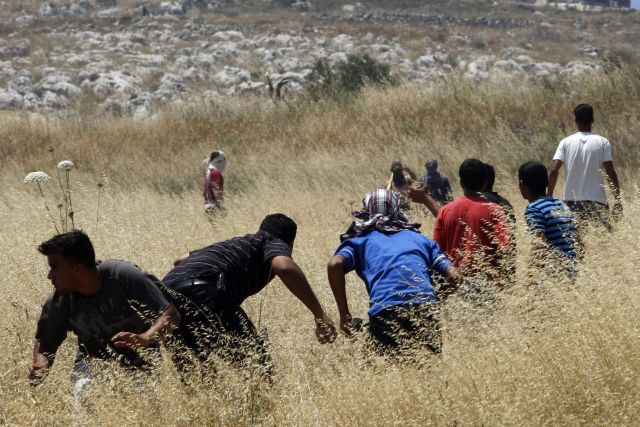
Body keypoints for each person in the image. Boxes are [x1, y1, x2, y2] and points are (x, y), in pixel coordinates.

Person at [162, 213, 336, 376]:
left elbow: (179, 260)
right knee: (257, 366)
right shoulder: (273, 241)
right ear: (290, 245)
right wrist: (319, 314)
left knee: (197, 377)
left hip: (164, 300)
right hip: (203, 291)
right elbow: (284, 267)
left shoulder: (237, 242)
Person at [29, 231, 181, 391]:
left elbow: (171, 315)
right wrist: (41, 364)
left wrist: (145, 338)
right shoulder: (59, 300)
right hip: (93, 364)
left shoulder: (124, 276)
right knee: (85, 388)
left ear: (78, 270)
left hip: (142, 362)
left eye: (54, 268)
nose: (49, 275)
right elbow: (46, 342)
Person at [328, 189, 461, 356]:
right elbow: (454, 276)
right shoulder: (421, 240)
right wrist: (434, 300)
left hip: (386, 309)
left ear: (366, 211)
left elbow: (334, 264)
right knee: (429, 370)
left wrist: (345, 316)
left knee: (385, 372)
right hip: (426, 309)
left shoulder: (359, 241)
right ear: (397, 210)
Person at [432, 159, 512, 285]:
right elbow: (505, 250)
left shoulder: (444, 211)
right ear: (485, 183)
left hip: (455, 284)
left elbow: (436, 252)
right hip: (488, 283)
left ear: (461, 183)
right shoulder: (496, 211)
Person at [548, 104, 622, 229]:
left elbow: (554, 170)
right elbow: (610, 172)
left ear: (575, 120)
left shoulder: (565, 142)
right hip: (597, 202)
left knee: (574, 240)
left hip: (571, 203)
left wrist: (549, 197)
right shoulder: (603, 142)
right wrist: (617, 199)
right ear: (592, 120)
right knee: (603, 241)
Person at [518, 161, 579, 279]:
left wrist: (530, 278)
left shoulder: (534, 209)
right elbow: (579, 243)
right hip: (572, 274)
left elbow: (539, 246)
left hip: (553, 277)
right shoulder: (562, 206)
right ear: (547, 183)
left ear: (522, 186)